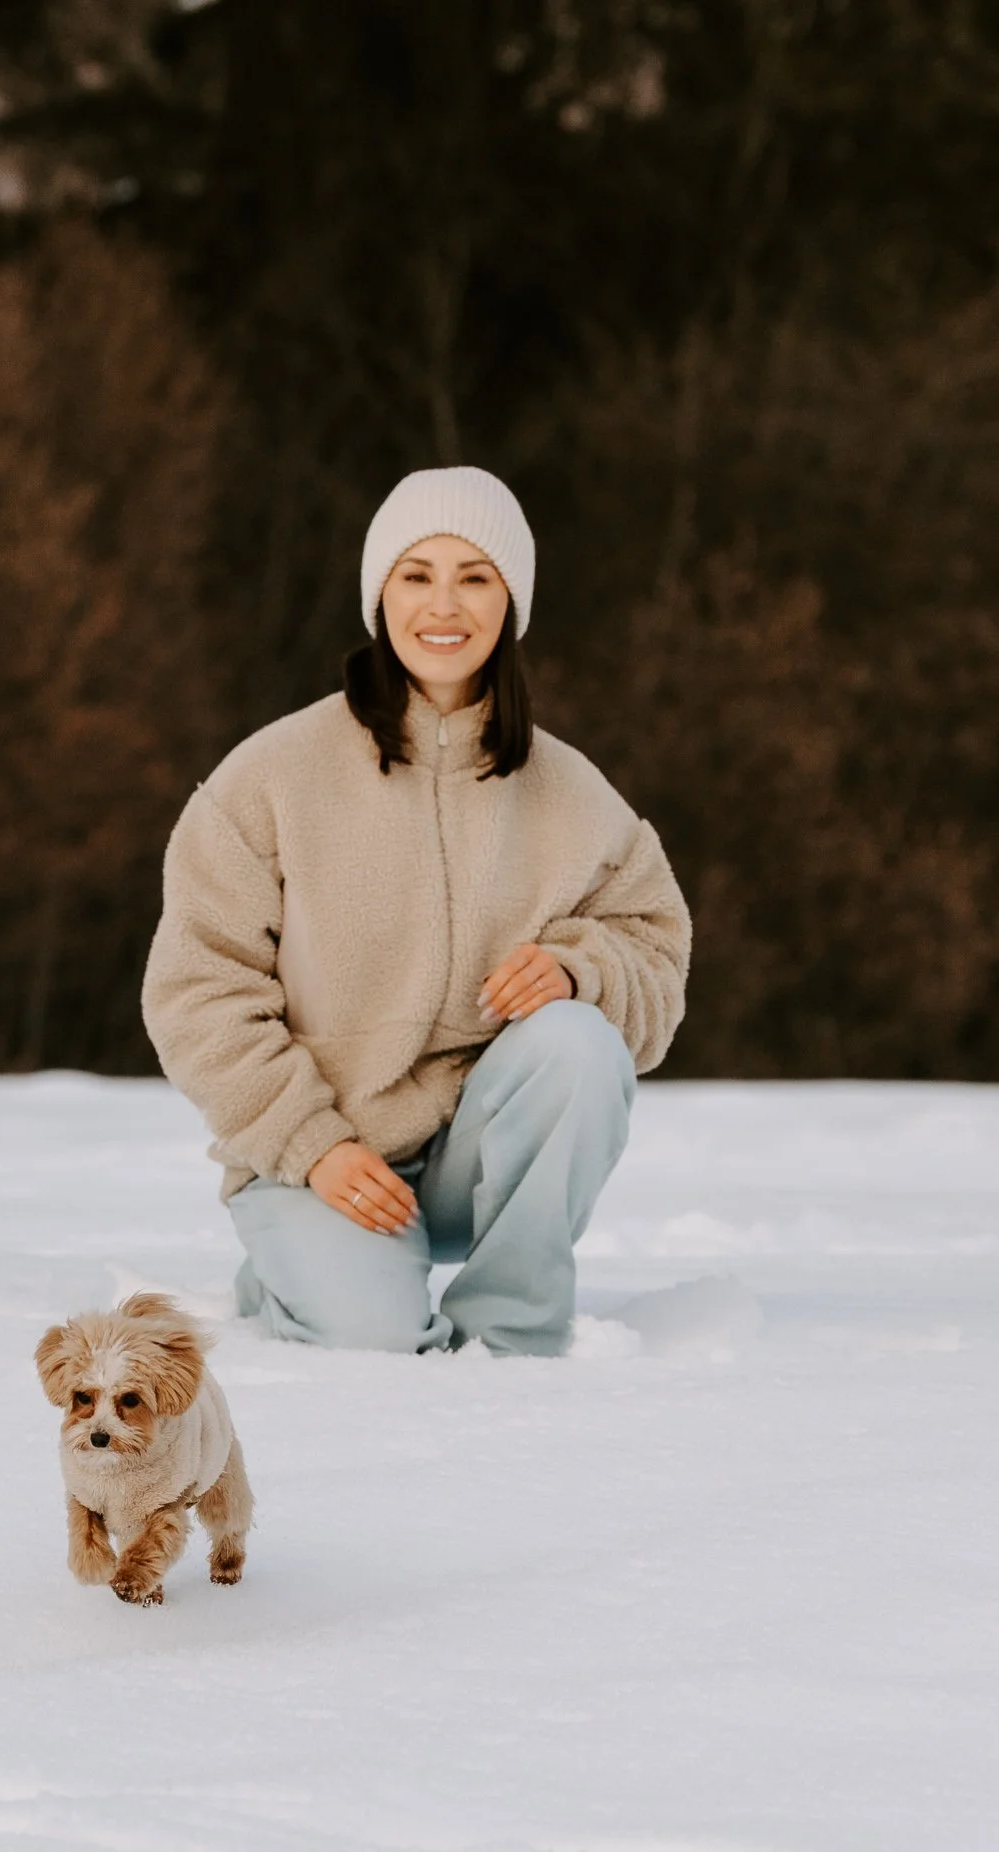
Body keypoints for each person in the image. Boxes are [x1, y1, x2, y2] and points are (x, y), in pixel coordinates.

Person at [142, 466, 691, 1355]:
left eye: (474, 577)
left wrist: (580, 969)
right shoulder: (271, 775)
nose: (444, 606)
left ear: (509, 602)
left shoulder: (571, 791)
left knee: (577, 1040)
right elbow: (195, 989)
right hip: (315, 1161)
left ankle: (511, 1330)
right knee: (371, 1341)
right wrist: (308, 1143)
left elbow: (656, 949)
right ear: (379, 596)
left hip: (469, 1166)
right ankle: (298, 1269)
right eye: (416, 575)